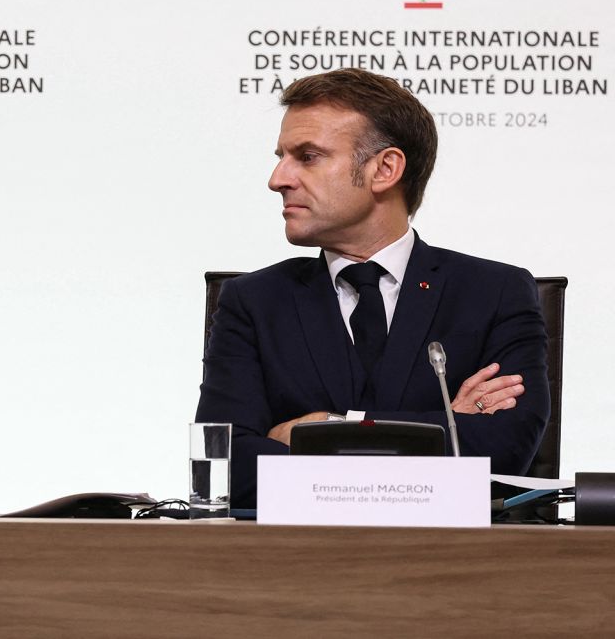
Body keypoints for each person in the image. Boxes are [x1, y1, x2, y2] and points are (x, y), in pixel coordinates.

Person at [195, 68, 548, 509]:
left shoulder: (495, 292)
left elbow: (501, 453)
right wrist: (445, 425)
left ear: (385, 168)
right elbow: (226, 467)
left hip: (455, 564)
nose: (278, 178)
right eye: (281, 156)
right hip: (286, 565)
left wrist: (323, 426)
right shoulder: (253, 301)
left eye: (307, 156)